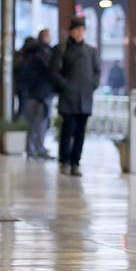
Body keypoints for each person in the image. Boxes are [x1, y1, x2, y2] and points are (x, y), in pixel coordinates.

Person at [51, 17, 101, 176]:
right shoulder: (61, 49)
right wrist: (65, 86)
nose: (80, 33)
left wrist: (92, 85)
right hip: (68, 98)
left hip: (85, 98)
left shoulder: (91, 51)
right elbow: (53, 72)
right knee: (67, 130)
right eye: (77, 29)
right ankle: (64, 161)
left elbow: (96, 72)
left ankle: (75, 162)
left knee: (80, 132)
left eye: (82, 30)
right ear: (71, 31)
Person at [18, 32, 55, 159]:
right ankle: (37, 149)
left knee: (31, 123)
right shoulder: (43, 53)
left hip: (30, 93)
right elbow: (51, 71)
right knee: (40, 124)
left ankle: (31, 149)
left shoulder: (28, 53)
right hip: (41, 94)